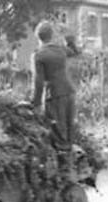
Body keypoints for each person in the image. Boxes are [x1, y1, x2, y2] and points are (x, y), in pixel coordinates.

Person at [30, 20, 80, 151]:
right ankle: (71, 164)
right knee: (69, 131)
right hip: (69, 92)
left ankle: (64, 167)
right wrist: (69, 38)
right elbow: (75, 51)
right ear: (51, 35)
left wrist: (35, 103)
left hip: (55, 95)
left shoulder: (38, 56)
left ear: (38, 38)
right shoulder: (61, 50)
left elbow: (38, 82)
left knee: (58, 133)